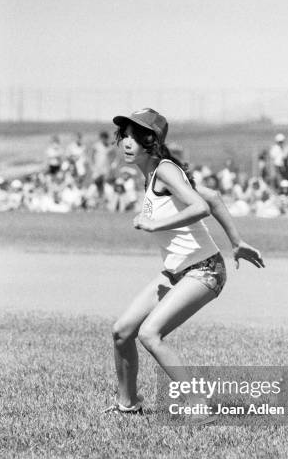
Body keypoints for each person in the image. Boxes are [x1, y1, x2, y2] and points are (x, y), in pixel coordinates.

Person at [104, 108, 264, 419]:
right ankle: (128, 404)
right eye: (124, 134)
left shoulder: (164, 170)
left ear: (151, 141)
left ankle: (198, 405)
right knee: (122, 331)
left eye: (135, 136)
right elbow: (213, 196)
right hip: (177, 272)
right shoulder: (155, 173)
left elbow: (200, 206)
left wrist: (154, 224)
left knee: (150, 333)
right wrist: (237, 242)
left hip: (205, 270)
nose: (127, 141)